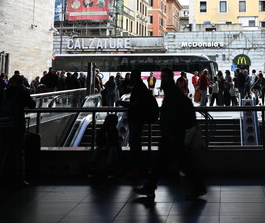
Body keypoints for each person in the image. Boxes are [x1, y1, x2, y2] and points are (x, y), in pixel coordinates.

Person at [136, 68, 206, 200]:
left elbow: (173, 116)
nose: (163, 80)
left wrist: (171, 132)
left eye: (165, 77)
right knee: (166, 162)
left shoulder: (172, 95)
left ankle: (198, 187)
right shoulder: (174, 93)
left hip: (172, 135)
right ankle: (151, 186)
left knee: (177, 163)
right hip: (172, 134)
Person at [0, 74, 36, 187]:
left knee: (0, 155)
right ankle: (20, 179)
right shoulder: (23, 92)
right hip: (17, 126)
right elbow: (32, 105)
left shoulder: (4, 91)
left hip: (1, 126)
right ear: (21, 82)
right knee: (18, 154)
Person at [120, 69, 158, 179]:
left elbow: (137, 103)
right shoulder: (141, 86)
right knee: (136, 143)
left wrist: (125, 103)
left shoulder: (138, 87)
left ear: (134, 76)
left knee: (135, 144)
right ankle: (138, 169)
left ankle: (136, 169)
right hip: (139, 118)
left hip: (136, 118)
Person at [87, 113, 121, 179]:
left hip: (109, 147)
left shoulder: (113, 130)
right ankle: (98, 166)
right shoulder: (104, 130)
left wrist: (105, 146)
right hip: (105, 146)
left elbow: (114, 142)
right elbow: (98, 140)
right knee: (99, 149)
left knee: (111, 150)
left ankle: (105, 167)